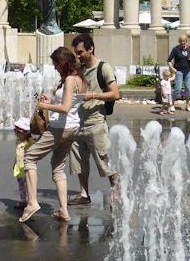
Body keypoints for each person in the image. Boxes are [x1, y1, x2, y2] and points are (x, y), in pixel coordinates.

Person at [20, 45, 87, 222]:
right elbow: (70, 104)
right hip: (73, 128)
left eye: (56, 64)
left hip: (60, 128)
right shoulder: (81, 79)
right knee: (58, 167)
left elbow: (65, 108)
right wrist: (52, 100)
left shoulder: (70, 80)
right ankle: (64, 211)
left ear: (63, 62)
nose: (55, 68)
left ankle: (32, 202)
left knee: (29, 157)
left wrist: (44, 106)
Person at [69, 33, 121, 206]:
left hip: (96, 122)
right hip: (78, 122)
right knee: (79, 162)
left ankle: (116, 193)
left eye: (81, 52)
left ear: (91, 49)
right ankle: (84, 194)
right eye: (76, 52)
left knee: (105, 160)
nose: (78, 56)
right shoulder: (80, 69)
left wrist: (92, 95)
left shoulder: (103, 68)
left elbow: (115, 94)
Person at [167, 34, 190, 112]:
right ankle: (172, 104)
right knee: (178, 88)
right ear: (179, 41)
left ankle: (187, 105)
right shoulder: (175, 49)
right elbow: (169, 60)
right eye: (181, 41)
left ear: (186, 41)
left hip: (188, 70)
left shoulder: (189, 48)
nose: (182, 43)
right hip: (179, 71)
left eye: (183, 41)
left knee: (188, 88)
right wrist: (172, 68)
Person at [11, 117, 35, 209]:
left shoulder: (30, 143)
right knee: (21, 187)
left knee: (29, 187)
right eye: (15, 131)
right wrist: (14, 163)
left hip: (26, 169)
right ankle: (23, 201)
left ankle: (31, 202)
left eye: (19, 132)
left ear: (27, 132)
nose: (17, 134)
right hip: (19, 169)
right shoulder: (18, 142)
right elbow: (17, 155)